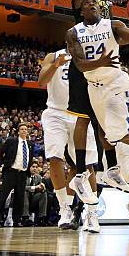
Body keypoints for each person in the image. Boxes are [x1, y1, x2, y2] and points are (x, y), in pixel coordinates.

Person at [67, 0, 129, 199]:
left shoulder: (106, 10)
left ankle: (113, 169)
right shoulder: (82, 0)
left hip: (109, 72)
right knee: (83, 118)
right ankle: (81, 172)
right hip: (85, 67)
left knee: (107, 123)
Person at [65, 0, 129, 182]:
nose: (92, 4)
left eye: (95, 3)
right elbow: (79, 64)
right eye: (87, 3)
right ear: (81, 12)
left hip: (116, 83)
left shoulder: (113, 25)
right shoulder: (73, 33)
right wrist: (99, 62)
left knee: (118, 132)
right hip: (94, 88)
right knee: (111, 136)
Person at [38, 48, 99, 231]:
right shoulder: (52, 55)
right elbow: (41, 81)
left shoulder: (90, 56)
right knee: (54, 157)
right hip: (56, 112)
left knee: (86, 166)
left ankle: (91, 214)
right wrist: (56, 65)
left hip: (80, 113)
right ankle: (64, 208)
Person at [0, 124, 33, 227]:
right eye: (22, 129)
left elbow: (29, 158)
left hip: (23, 173)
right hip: (10, 172)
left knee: (20, 198)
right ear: (18, 131)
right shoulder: (12, 141)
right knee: (3, 196)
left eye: (25, 129)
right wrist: (4, 164)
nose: (24, 131)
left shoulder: (29, 144)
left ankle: (17, 220)